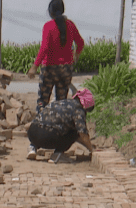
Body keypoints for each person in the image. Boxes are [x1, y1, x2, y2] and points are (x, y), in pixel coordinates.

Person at [27, 0, 85, 158]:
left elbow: (44, 48)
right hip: (65, 69)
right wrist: (75, 55)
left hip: (49, 69)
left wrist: (34, 66)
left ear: (51, 12)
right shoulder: (71, 25)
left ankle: (34, 145)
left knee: (42, 103)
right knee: (60, 106)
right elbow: (80, 43)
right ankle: (58, 149)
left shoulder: (48, 26)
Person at [27, 88, 96, 163]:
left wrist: (86, 144)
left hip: (32, 133)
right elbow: (82, 134)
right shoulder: (78, 109)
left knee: (43, 127)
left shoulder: (61, 102)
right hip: (49, 136)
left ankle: (32, 148)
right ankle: (57, 154)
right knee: (74, 132)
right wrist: (91, 149)